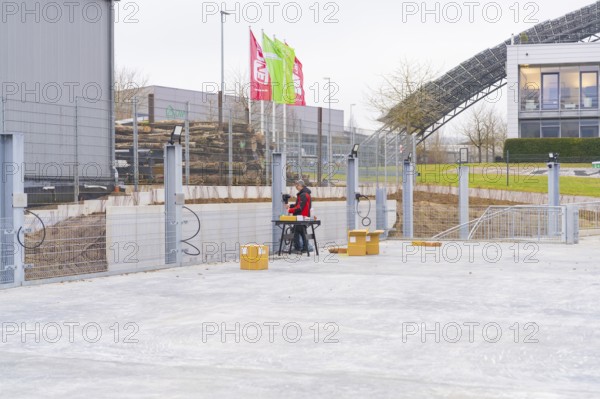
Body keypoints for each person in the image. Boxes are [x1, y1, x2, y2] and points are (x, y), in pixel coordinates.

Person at [285, 180, 313, 252]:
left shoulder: (303, 194)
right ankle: (304, 248)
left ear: (301, 186)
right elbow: (298, 205)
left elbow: (299, 207)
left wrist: (290, 210)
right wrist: (290, 206)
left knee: (297, 231)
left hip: (301, 217)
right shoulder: (304, 194)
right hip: (303, 217)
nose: (296, 187)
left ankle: (299, 248)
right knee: (301, 232)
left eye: (297, 186)